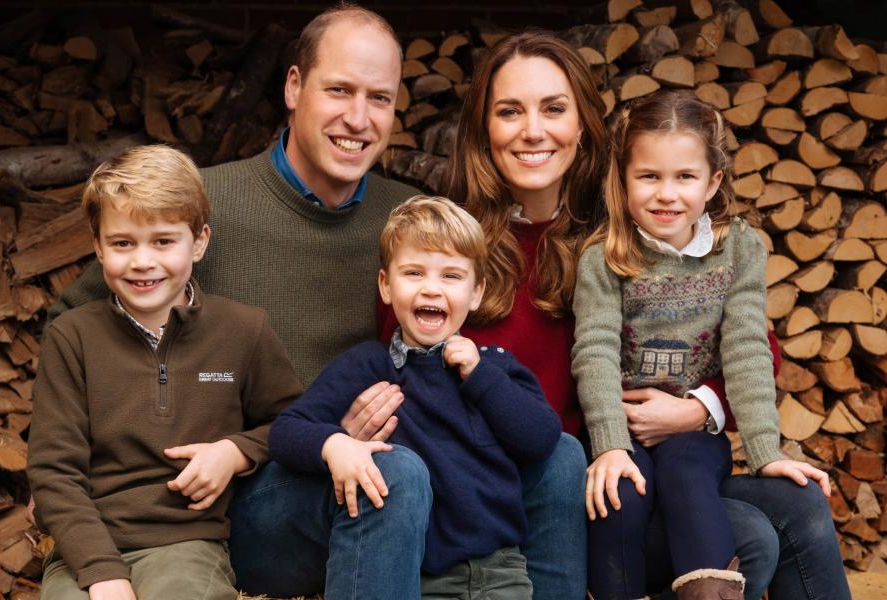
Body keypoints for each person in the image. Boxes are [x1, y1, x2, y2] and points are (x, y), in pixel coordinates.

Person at [42, 5, 586, 599]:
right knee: (394, 471)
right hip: (256, 494)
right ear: (294, 87)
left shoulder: (403, 219)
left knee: (558, 453)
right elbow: (85, 321)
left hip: (380, 485)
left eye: (379, 98)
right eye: (339, 90)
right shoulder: (209, 206)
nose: (358, 118)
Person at [441, 31, 850, 600]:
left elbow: (757, 347)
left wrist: (695, 410)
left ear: (582, 124)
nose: (533, 130)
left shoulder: (623, 227)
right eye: (510, 111)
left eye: (553, 109)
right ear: (484, 127)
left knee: (801, 505)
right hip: (562, 483)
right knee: (751, 535)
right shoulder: (453, 247)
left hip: (670, 447)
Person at [572, 90, 832, 599]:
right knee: (619, 495)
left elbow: (747, 349)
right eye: (649, 176)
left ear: (712, 182)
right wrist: (608, 445)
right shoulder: (605, 258)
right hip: (622, 428)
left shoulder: (738, 248)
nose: (666, 193)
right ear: (622, 180)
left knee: (687, 475)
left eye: (684, 177)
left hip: (693, 435)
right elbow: (595, 349)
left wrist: (764, 451)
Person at [27, 145, 302, 599]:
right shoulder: (72, 338)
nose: (142, 261)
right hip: (86, 546)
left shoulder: (244, 331)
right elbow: (54, 472)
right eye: (122, 243)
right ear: (97, 246)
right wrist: (102, 572)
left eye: (162, 241)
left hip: (186, 544)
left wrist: (234, 452)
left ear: (199, 242)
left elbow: (292, 423)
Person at [271, 196, 562, 598]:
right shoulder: (369, 366)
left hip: (499, 569)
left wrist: (480, 377)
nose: (431, 288)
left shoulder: (495, 368)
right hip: (419, 572)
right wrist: (335, 444)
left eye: (451, 276)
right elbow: (286, 430)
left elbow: (542, 439)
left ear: (476, 293)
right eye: (413, 273)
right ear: (386, 286)